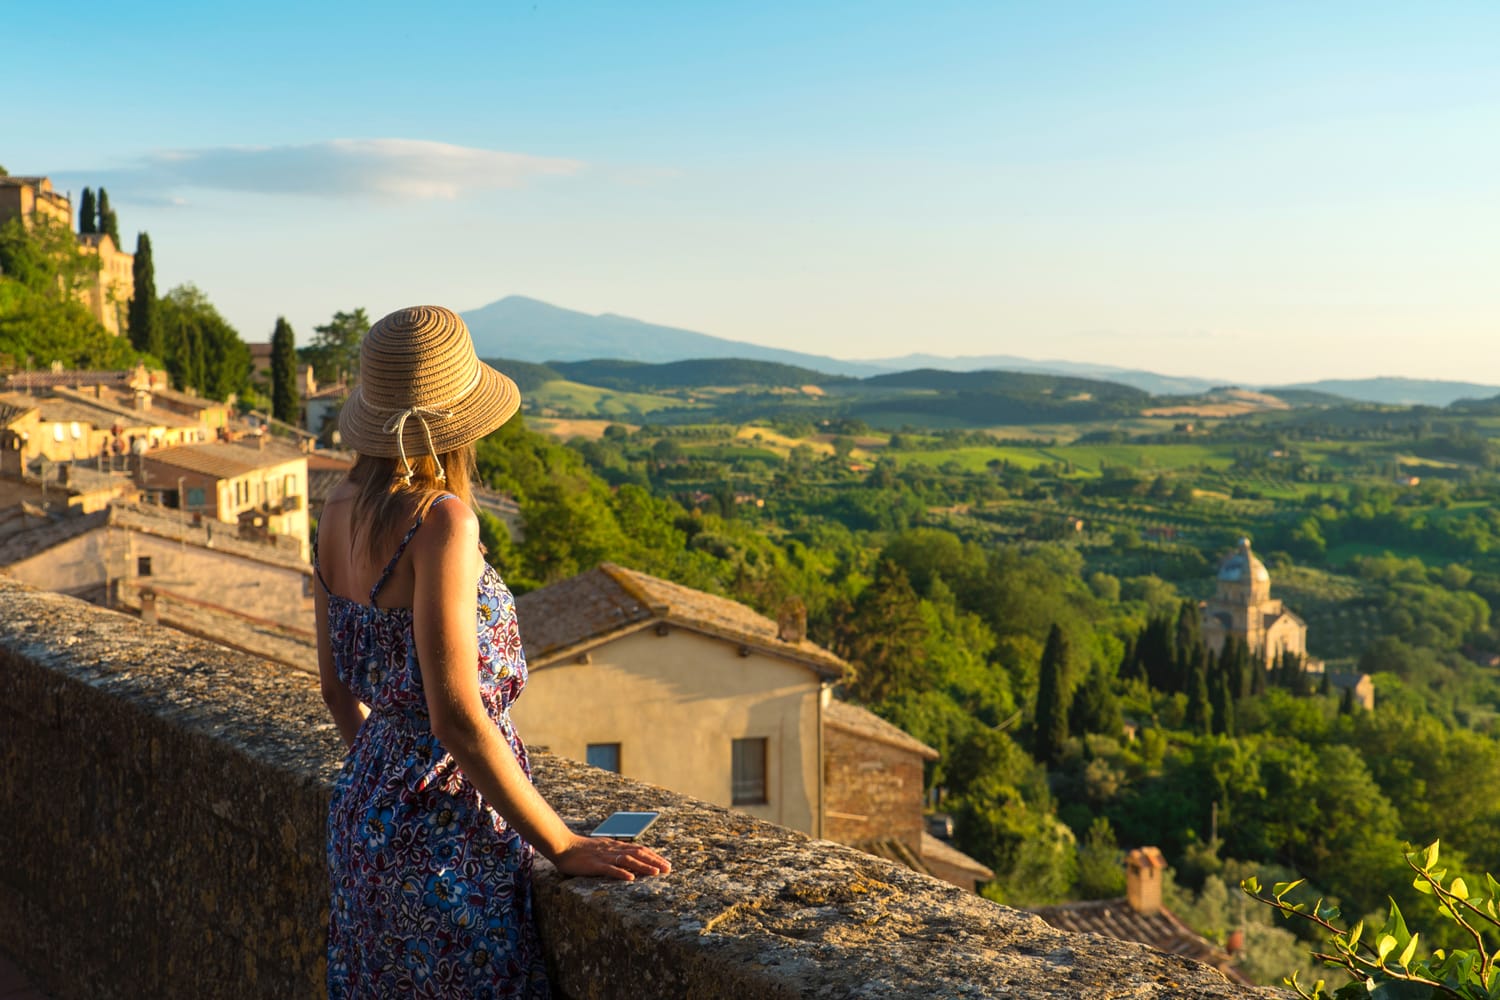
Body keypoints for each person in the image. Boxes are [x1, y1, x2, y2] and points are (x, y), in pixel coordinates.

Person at [314, 306, 669, 997]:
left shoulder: (334, 510)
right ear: (458, 424)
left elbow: (336, 690)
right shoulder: (441, 520)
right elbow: (457, 719)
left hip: (360, 818)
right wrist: (561, 843)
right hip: (447, 840)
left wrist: (387, 779)